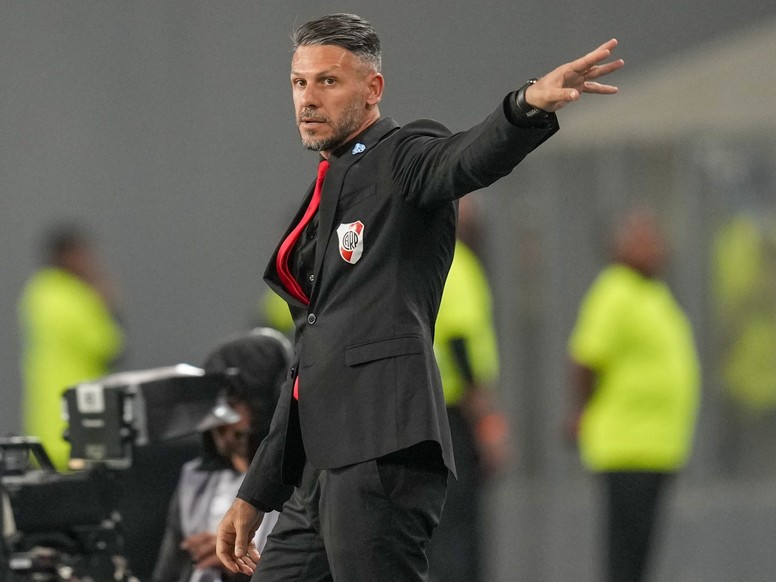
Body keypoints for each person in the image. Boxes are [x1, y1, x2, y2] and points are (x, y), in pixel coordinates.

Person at [216, 13, 623, 581]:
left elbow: (466, 157)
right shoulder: (327, 188)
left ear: (373, 88)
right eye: (299, 82)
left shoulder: (402, 157)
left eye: (328, 81)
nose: (308, 97)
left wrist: (528, 104)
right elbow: (309, 362)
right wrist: (257, 491)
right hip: (319, 466)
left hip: (381, 451)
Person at [565, 208, 701, 582]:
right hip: (627, 446)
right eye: (642, 239)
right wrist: (581, 412)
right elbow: (585, 359)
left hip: (655, 447)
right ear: (620, 245)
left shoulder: (653, 294)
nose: (655, 247)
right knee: (625, 558)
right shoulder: (615, 290)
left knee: (640, 556)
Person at [153, 328, 291, 582]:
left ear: (267, 402)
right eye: (212, 400)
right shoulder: (195, 484)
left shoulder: (302, 485)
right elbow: (167, 575)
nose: (218, 418)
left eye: (232, 399)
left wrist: (236, 565)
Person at [429, 197, 509, 582]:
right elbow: (460, 345)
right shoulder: (457, 262)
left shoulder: (426, 256)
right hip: (453, 415)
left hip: (429, 413)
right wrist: (488, 425)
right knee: (457, 529)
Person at [18, 223, 125, 470]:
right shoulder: (76, 296)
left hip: (45, 420)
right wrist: (107, 305)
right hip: (82, 418)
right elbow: (109, 346)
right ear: (68, 256)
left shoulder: (37, 292)